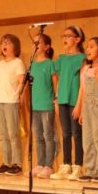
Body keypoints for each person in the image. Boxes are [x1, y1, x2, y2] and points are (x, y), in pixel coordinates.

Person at [73, 37, 98, 182]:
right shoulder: (85, 69)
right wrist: (80, 108)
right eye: (87, 47)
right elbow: (82, 90)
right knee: (87, 140)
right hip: (88, 107)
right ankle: (90, 169)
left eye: (92, 47)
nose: (88, 50)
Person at [52, 26, 86, 180]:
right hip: (63, 99)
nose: (65, 39)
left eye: (68, 36)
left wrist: (81, 104)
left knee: (76, 134)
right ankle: (66, 164)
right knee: (65, 133)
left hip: (75, 100)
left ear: (77, 39)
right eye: (63, 36)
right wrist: (57, 98)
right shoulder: (61, 59)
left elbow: (84, 82)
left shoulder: (83, 58)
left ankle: (78, 165)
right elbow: (57, 79)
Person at [0, 34, 25, 175]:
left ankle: (17, 163)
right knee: (3, 134)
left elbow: (21, 82)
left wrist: (20, 98)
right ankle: (6, 162)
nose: (4, 45)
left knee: (13, 134)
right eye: (2, 42)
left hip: (12, 101)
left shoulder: (18, 62)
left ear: (15, 46)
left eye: (8, 42)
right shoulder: (0, 64)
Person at [28, 32, 57, 179]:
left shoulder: (49, 63)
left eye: (38, 43)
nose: (35, 45)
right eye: (34, 43)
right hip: (35, 105)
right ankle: (39, 163)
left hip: (47, 105)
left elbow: (55, 82)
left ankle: (48, 165)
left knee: (48, 136)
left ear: (47, 47)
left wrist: (56, 98)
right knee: (38, 136)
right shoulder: (32, 64)